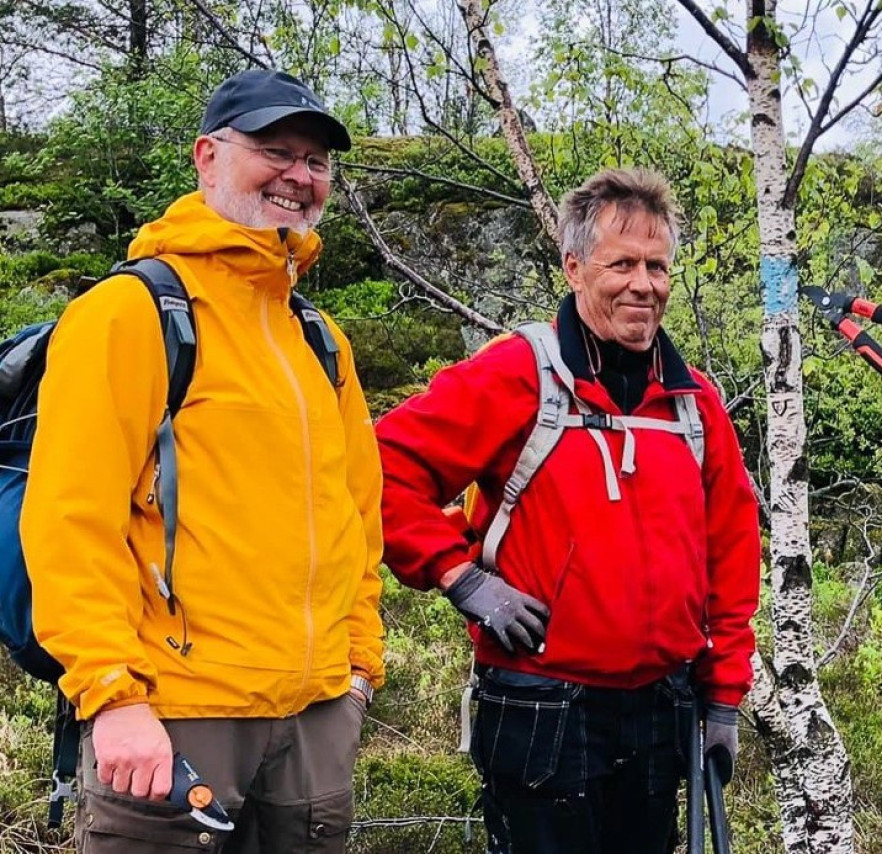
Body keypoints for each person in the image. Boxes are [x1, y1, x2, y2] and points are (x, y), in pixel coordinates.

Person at [20, 68, 384, 851]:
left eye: (316, 161)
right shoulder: (128, 312)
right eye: (274, 151)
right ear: (207, 157)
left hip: (315, 718)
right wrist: (111, 695)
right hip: (171, 718)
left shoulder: (320, 340)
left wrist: (358, 671)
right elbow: (68, 521)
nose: (298, 175)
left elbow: (358, 517)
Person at [374, 168, 761, 853]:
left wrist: (724, 696)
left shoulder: (694, 404)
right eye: (622, 264)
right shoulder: (518, 374)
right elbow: (380, 469)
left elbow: (730, 554)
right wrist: (461, 577)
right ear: (574, 268)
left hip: (661, 709)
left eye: (657, 267)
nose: (643, 284)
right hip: (540, 708)